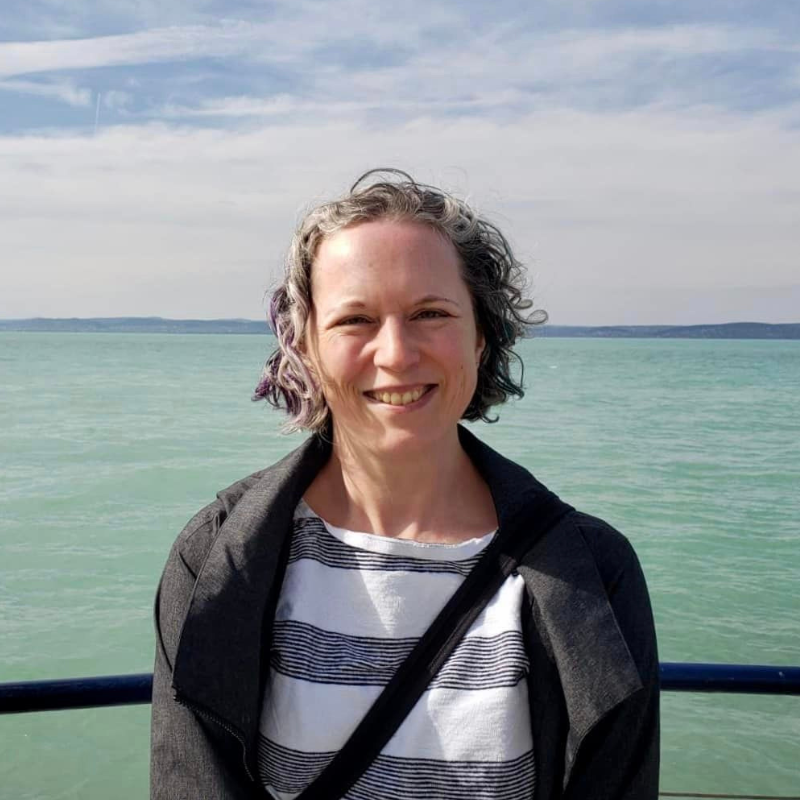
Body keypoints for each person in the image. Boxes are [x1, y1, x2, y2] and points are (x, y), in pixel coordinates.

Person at [150, 169, 660, 800]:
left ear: (481, 337)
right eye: (355, 320)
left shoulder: (594, 572)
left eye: (430, 313)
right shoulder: (217, 558)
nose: (395, 353)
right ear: (304, 347)